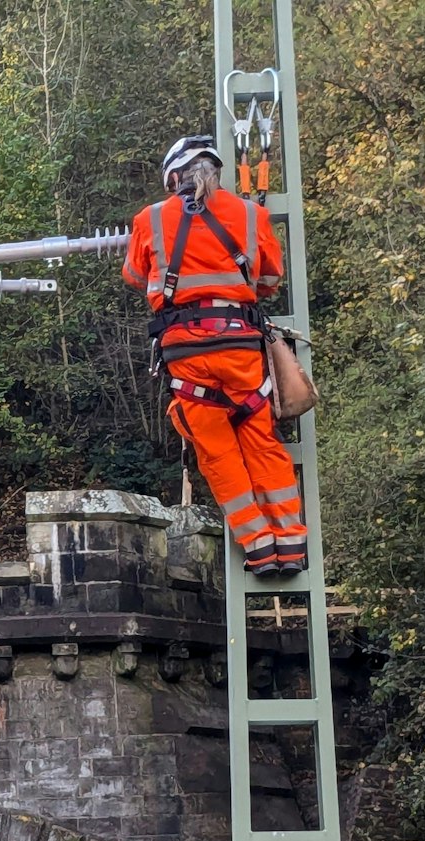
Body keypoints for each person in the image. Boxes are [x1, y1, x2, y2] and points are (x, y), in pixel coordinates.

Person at [123, 134, 306, 577]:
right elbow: (269, 280)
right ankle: (291, 545)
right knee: (261, 439)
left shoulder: (150, 219)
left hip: (187, 354)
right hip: (242, 348)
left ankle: (259, 548)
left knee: (218, 453)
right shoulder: (251, 214)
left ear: (173, 177)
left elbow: (133, 275)